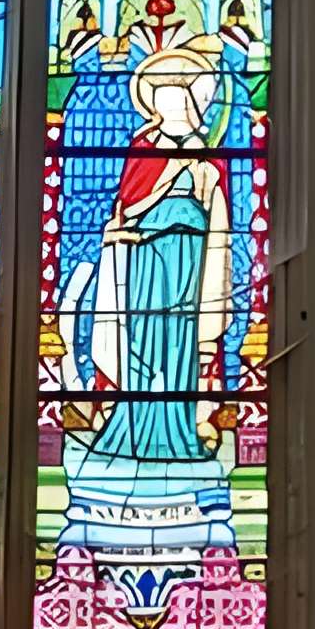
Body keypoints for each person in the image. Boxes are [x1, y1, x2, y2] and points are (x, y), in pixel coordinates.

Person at [85, 39, 232, 468]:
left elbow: (216, 210)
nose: (174, 107)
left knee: (180, 338)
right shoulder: (143, 149)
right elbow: (129, 204)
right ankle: (135, 424)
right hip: (147, 255)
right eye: (165, 98)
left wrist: (201, 172)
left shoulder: (208, 152)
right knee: (144, 337)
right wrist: (173, 170)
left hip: (189, 252)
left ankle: (178, 425)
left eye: (181, 97)